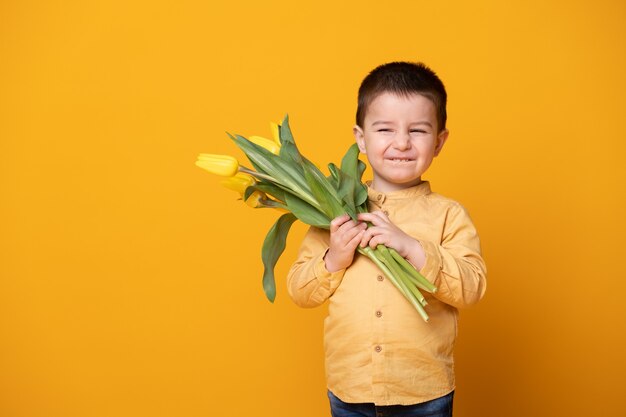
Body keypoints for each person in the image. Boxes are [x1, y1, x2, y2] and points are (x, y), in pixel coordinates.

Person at [286, 61, 487, 417]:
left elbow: (472, 287)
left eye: (419, 130)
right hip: (351, 387)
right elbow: (299, 290)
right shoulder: (335, 212)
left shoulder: (448, 215)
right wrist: (334, 258)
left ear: (439, 141)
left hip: (423, 390)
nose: (402, 143)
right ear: (361, 138)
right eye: (384, 129)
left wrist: (412, 248)